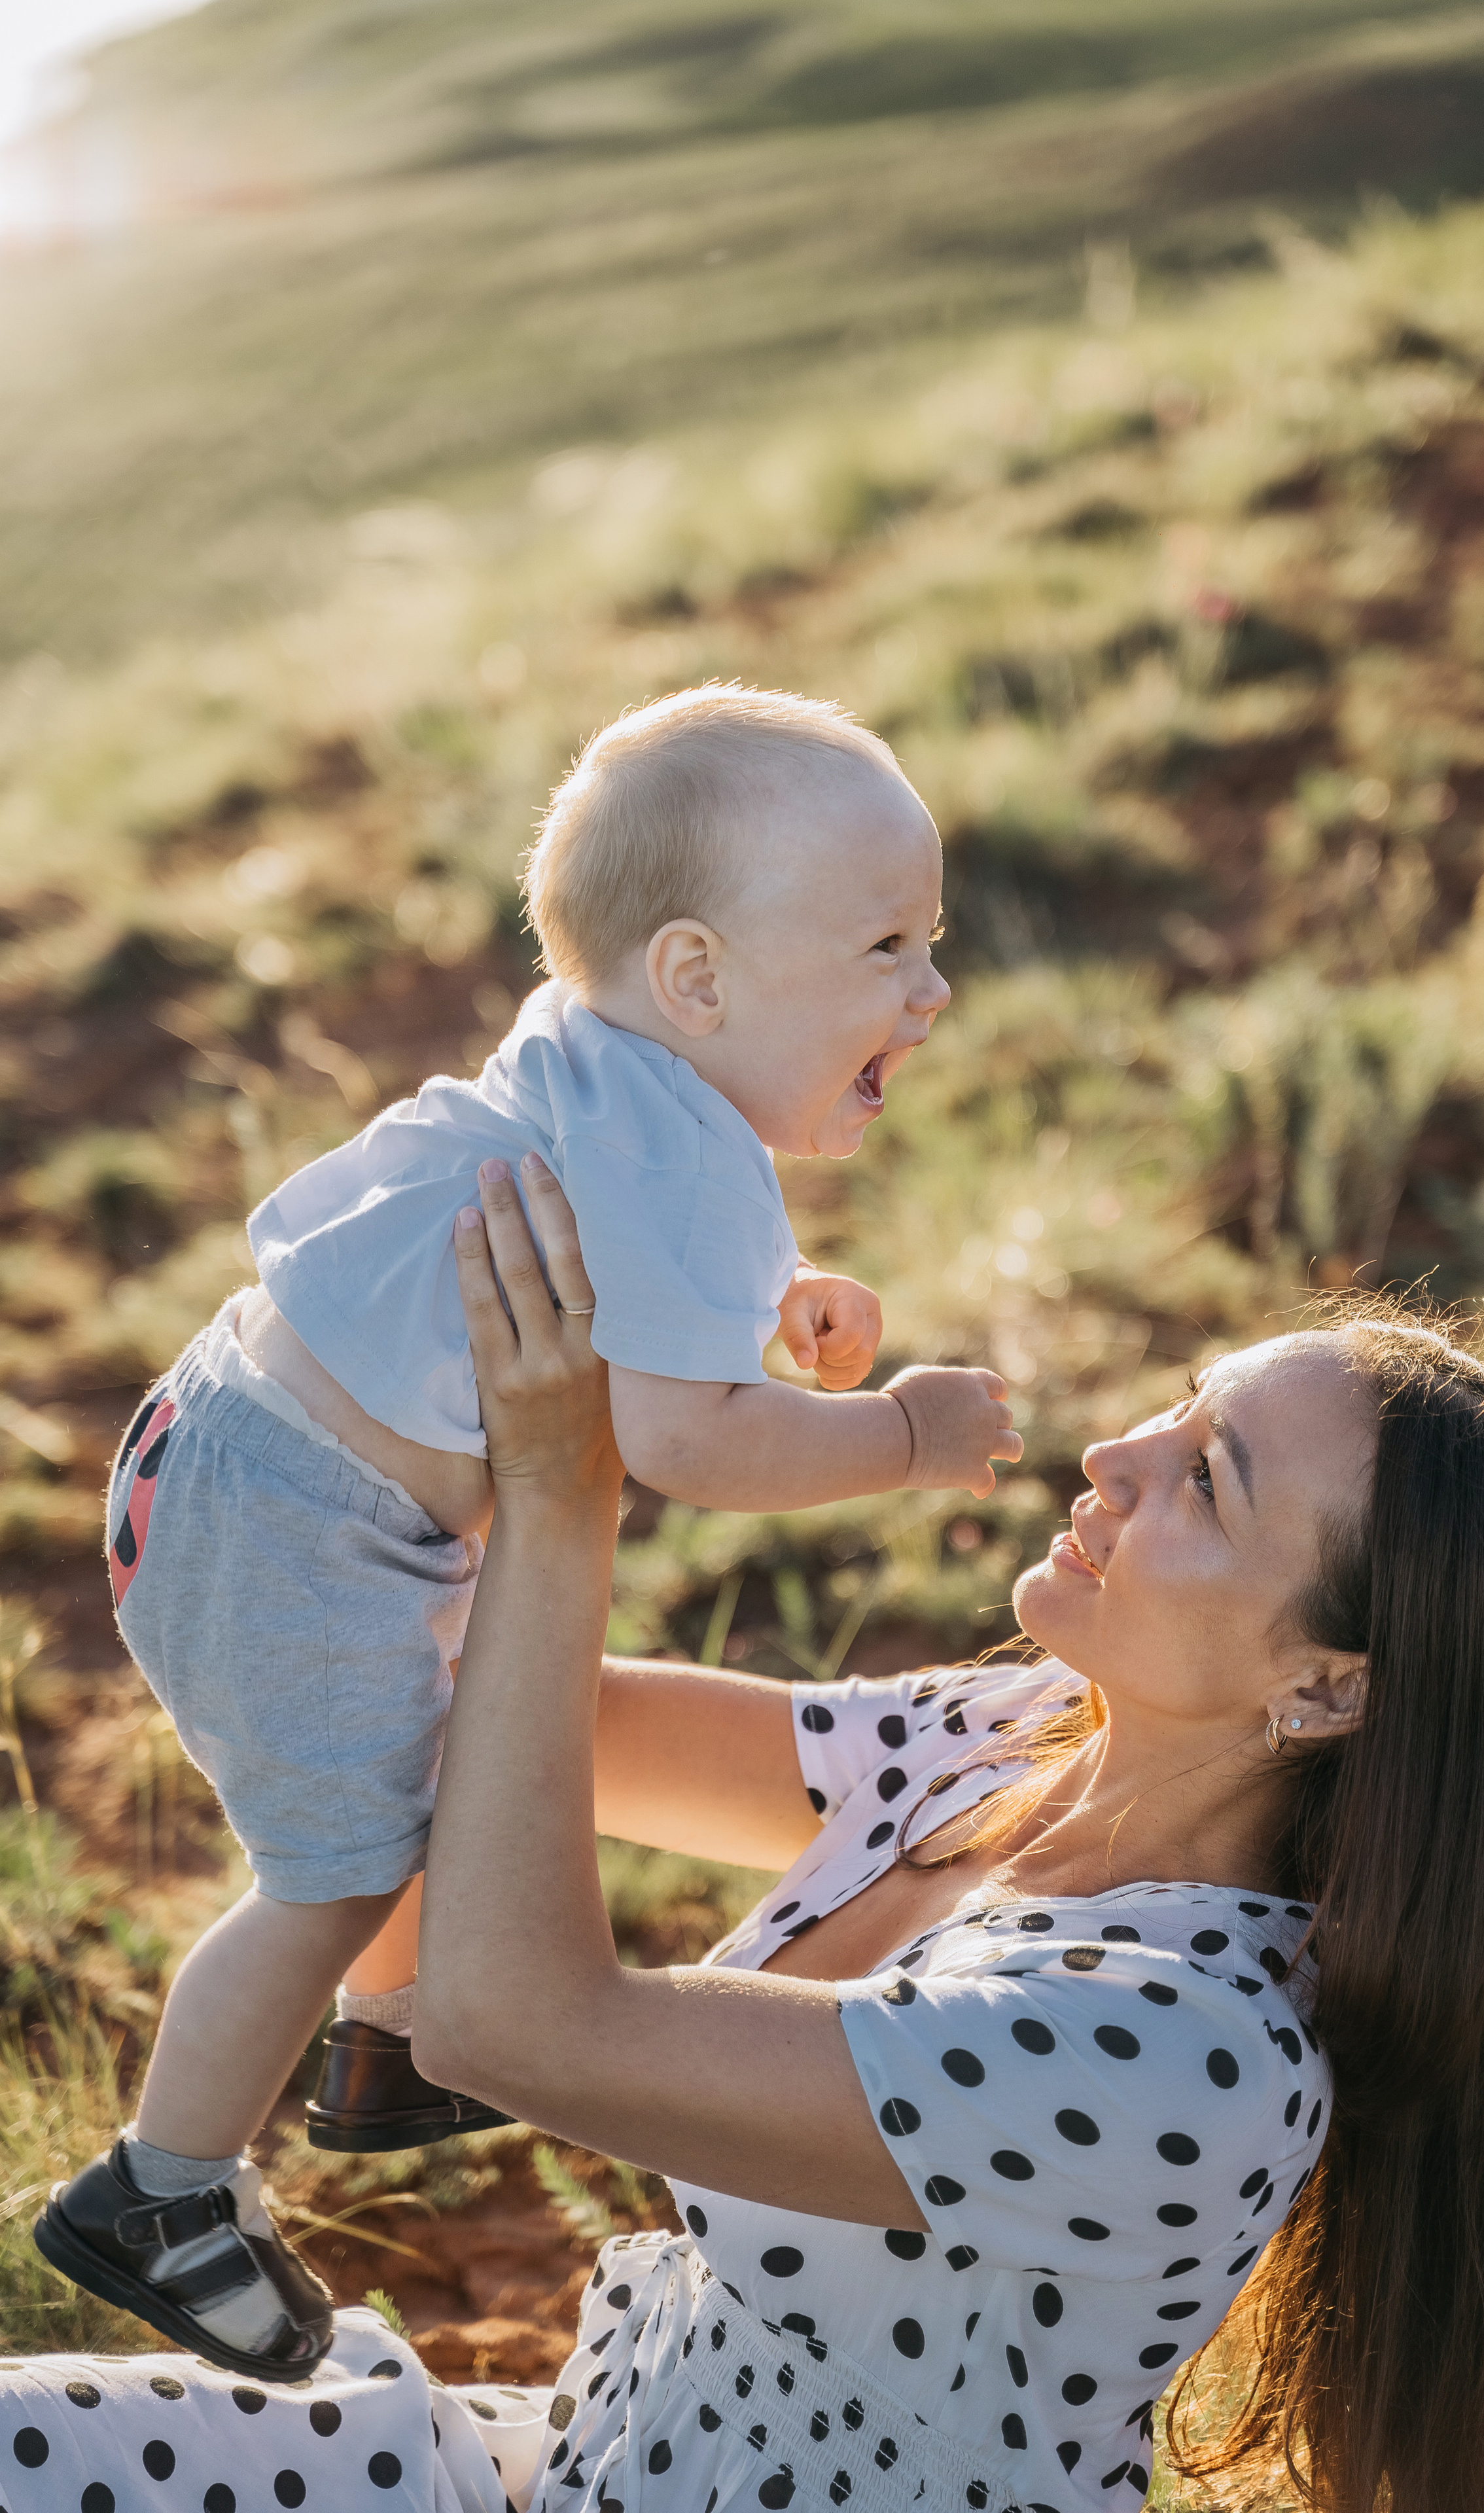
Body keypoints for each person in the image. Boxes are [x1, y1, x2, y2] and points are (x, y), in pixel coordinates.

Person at [7, 1164, 1484, 2513]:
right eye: (1172, 1409)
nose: (1112, 1456)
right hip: (570, 2462)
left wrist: (569, 1493)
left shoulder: (1183, 2054)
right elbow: (505, 1729)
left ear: (1326, 1685)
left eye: (1202, 1479)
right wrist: (343, 1484)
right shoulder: (1005, 1745)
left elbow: (510, 2020)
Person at [36, 686, 1019, 2382]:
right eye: (886, 948)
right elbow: (684, 1438)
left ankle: (387, 2051)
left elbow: (633, 1262)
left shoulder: (614, 1063)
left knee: (436, 1746)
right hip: (288, 1523)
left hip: (233, 1453)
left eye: (929, 942)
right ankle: (163, 2187)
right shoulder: (686, 1142)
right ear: (699, 979)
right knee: (337, 1860)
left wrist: (779, 1298)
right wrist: (901, 1436)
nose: (932, 991)